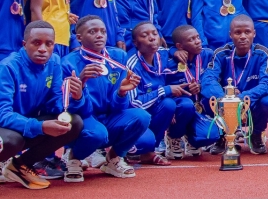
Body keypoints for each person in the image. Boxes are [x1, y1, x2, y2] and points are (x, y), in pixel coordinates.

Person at [0, 21, 85, 198]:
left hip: (21, 124)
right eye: (36, 43)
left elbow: (55, 105)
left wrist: (75, 96)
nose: (43, 49)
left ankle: (20, 166)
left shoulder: (54, 63)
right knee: (11, 140)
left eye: (48, 44)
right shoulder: (8, 68)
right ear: (24, 44)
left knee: (73, 123)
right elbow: (1, 115)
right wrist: (41, 127)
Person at [61, 16, 151, 180]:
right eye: (92, 32)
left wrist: (121, 94)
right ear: (79, 37)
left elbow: (118, 108)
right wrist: (80, 86)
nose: (100, 35)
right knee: (97, 133)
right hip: (85, 119)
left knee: (142, 117)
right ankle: (73, 157)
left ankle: (114, 158)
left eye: (103, 31)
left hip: (109, 117)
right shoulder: (68, 63)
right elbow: (71, 111)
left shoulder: (118, 57)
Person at [200, 14, 268, 154]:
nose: (242, 36)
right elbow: (208, 80)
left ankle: (256, 135)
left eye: (247, 32)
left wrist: (242, 98)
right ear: (230, 35)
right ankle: (223, 136)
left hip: (250, 102)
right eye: (238, 32)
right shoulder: (221, 53)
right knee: (207, 99)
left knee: (267, 101)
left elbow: (267, 84)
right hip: (225, 105)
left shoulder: (262, 53)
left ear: (254, 33)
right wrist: (226, 99)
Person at [163, 25, 222, 159]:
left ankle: (192, 138)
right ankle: (173, 137)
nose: (197, 41)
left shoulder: (207, 55)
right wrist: (173, 51)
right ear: (180, 45)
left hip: (200, 105)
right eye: (191, 39)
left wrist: (201, 86)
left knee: (209, 135)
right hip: (181, 106)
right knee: (186, 105)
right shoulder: (169, 61)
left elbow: (217, 73)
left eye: (198, 37)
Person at [124, 21, 176, 166]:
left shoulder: (162, 55)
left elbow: (171, 50)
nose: (152, 38)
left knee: (169, 104)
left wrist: (175, 51)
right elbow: (134, 102)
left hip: (153, 109)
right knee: (143, 143)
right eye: (145, 35)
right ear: (135, 42)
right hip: (134, 115)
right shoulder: (131, 64)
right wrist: (165, 90)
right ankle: (121, 151)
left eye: (154, 33)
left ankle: (149, 152)